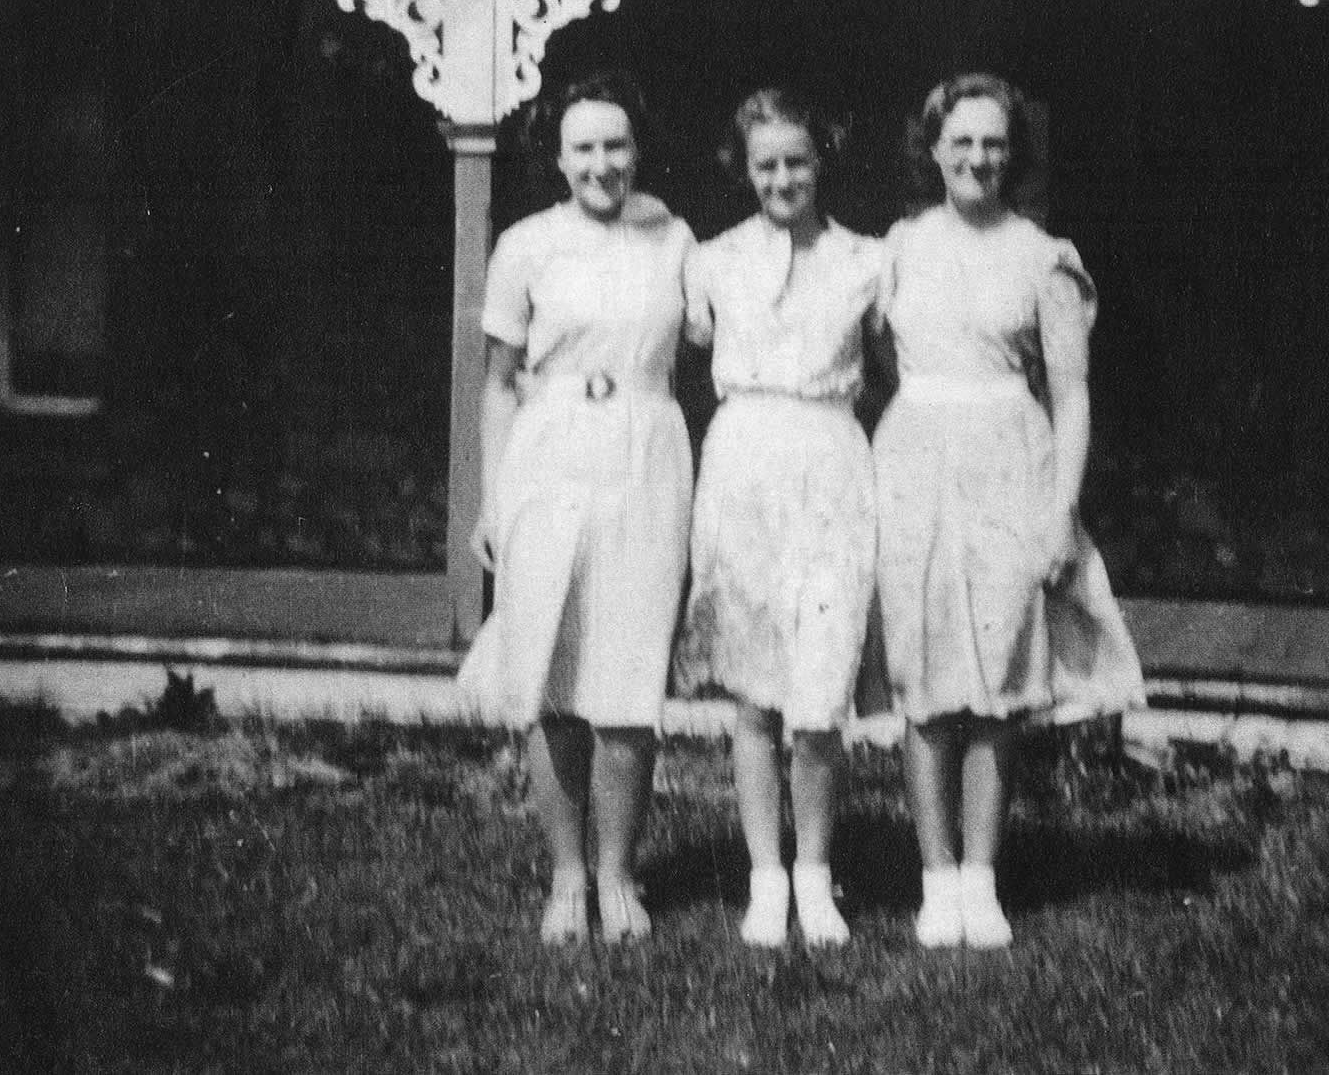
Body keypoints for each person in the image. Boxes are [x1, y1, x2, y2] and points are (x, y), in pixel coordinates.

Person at [874, 72, 1145, 948]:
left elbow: (1070, 396)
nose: (978, 158)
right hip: (915, 458)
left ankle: (982, 878)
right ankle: (935, 877)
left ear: (1013, 153)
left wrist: (1060, 511)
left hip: (1009, 461)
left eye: (994, 143)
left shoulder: (1042, 255)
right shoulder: (901, 248)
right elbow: (882, 357)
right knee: (924, 680)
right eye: (961, 141)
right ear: (934, 149)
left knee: (995, 682)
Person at [457, 71, 694, 945]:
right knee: (555, 672)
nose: (603, 163)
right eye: (585, 147)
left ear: (637, 150)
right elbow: (494, 386)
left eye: (617, 145)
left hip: (645, 446)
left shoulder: (673, 239)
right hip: (550, 450)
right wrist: (490, 500)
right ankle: (566, 877)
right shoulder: (525, 245)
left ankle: (620, 873)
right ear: (557, 157)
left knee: (627, 673)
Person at [674, 88, 884, 947]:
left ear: (821, 159)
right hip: (744, 463)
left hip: (831, 459)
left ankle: (816, 874)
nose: (783, 177)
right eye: (766, 164)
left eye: (797, 160)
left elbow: (900, 360)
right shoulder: (711, 261)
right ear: (744, 169)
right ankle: (766, 878)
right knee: (756, 692)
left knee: (819, 691)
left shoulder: (869, 261)